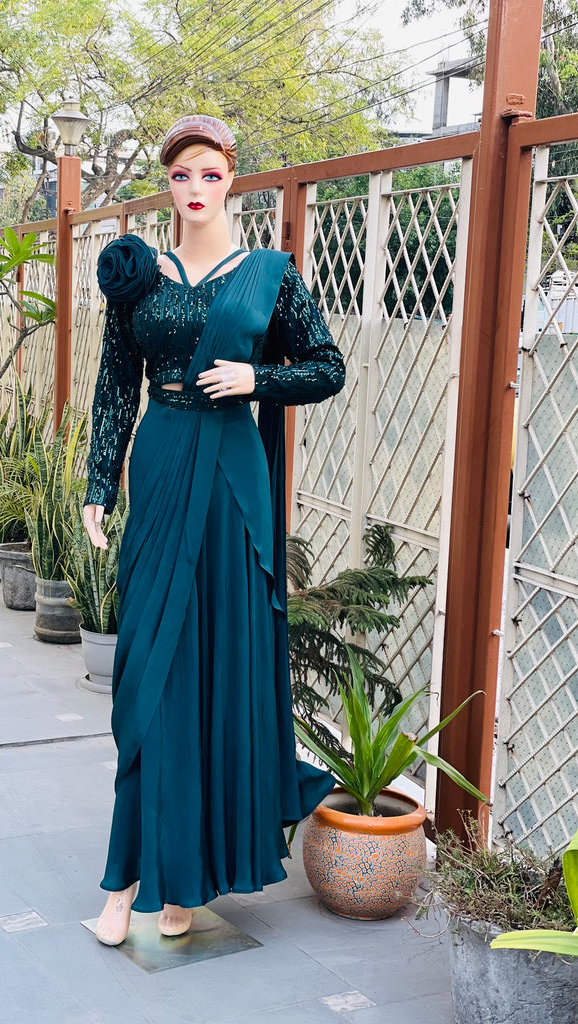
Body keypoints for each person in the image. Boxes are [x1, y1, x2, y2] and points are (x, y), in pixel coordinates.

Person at [83, 114, 345, 946]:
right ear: (167, 185)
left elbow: (328, 367)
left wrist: (256, 377)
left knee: (215, 664)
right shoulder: (139, 275)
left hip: (234, 481)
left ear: (232, 178)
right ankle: (128, 878)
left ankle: (182, 882)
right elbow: (114, 385)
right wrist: (97, 485)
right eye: (180, 175)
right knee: (149, 674)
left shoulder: (270, 273)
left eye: (209, 174)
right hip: (161, 465)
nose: (194, 189)